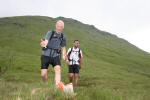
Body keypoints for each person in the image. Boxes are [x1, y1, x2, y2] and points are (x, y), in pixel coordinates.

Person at [40, 20, 67, 88]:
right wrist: (43, 44)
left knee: (58, 70)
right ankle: (45, 85)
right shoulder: (50, 33)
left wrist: (64, 55)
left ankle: (57, 87)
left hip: (56, 55)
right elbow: (46, 41)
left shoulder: (63, 37)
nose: (59, 28)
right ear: (56, 26)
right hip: (46, 55)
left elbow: (63, 47)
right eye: (58, 26)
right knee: (43, 74)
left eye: (61, 27)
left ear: (63, 28)